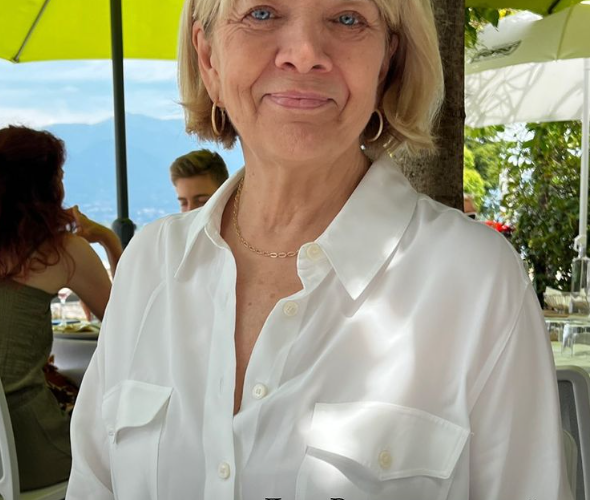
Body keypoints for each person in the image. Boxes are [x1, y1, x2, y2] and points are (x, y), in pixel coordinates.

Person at [67, 0, 573, 498]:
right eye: (262, 13)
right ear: (208, 57)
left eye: (348, 18)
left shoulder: (476, 282)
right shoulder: (150, 264)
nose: (305, 53)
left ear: (386, 62)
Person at [0, 125, 122, 491]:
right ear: (46, 186)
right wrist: (107, 238)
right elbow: (129, 323)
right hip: (32, 455)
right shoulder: (60, 251)